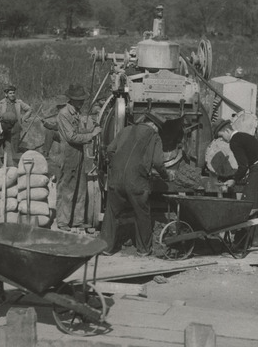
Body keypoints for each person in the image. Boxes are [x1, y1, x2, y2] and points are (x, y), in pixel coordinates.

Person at [100, 112, 173, 256]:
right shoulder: (153, 135)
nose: (157, 130)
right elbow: (158, 162)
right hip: (136, 182)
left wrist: (116, 166)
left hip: (115, 179)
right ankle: (144, 249)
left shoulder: (125, 130)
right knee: (142, 213)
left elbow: (109, 150)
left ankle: (105, 248)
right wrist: (166, 175)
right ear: (153, 124)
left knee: (111, 213)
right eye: (158, 127)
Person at [215, 118, 258, 248]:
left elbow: (243, 166)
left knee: (247, 206)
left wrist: (233, 179)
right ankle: (255, 240)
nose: (223, 140)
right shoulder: (245, 136)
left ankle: (240, 242)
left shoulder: (234, 141)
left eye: (222, 136)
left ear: (227, 130)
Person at [56, 84, 101, 231]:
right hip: (68, 154)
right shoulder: (64, 114)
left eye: (82, 99)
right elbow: (71, 136)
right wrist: (91, 135)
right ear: (71, 99)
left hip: (79, 153)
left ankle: (77, 220)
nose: (81, 102)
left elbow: (81, 130)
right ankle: (63, 222)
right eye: (78, 100)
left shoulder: (76, 112)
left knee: (81, 187)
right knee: (67, 187)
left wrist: (93, 128)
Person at [0, 85, 32, 157]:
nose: (12, 95)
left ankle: (13, 161)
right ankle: (2, 160)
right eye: (10, 93)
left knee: (14, 145)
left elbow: (29, 109)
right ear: (6, 94)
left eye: (13, 93)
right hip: (4, 126)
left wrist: (23, 119)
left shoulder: (19, 102)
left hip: (15, 126)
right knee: (3, 144)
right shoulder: (0, 103)